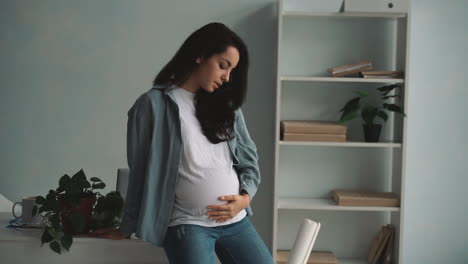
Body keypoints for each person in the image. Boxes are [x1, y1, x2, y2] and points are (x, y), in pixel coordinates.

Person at [88, 22, 273, 264]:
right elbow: (141, 171)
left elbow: (249, 158)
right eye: (223, 66)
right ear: (200, 55)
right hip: (187, 225)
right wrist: (127, 226)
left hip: (235, 222)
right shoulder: (152, 105)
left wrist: (245, 198)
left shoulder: (227, 106)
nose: (227, 78)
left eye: (231, 71)